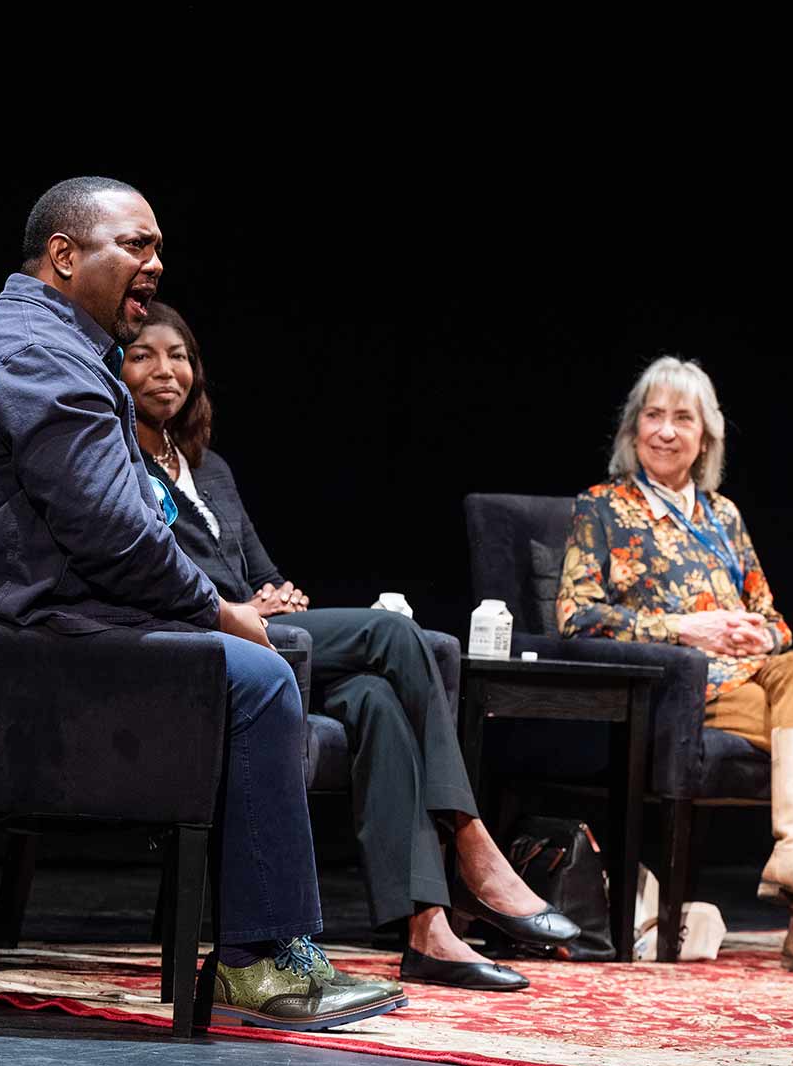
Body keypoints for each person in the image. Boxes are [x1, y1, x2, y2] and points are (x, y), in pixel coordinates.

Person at [0, 177, 403, 1030]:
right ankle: (260, 961)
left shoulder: (47, 342)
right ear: (65, 256)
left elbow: (109, 534)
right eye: (136, 245)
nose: (156, 262)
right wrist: (220, 612)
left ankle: (272, 947)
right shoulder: (40, 357)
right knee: (255, 676)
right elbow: (117, 537)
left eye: (156, 246)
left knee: (261, 662)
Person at [119, 302, 579, 992]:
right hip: (204, 639)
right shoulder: (115, 455)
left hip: (272, 635)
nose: (166, 370)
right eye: (143, 355)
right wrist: (249, 607)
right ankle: (469, 835)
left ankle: (428, 929)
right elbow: (160, 574)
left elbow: (263, 570)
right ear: (114, 368)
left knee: (375, 700)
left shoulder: (207, 467)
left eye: (179, 355)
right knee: (394, 632)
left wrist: (279, 595)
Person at [556, 356, 793, 976]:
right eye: (654, 416)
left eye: (683, 418)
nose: (666, 431)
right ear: (632, 429)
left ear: (706, 437)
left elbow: (775, 619)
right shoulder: (602, 507)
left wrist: (757, 632)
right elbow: (576, 615)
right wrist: (686, 628)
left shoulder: (723, 516)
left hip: (751, 674)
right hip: (683, 686)